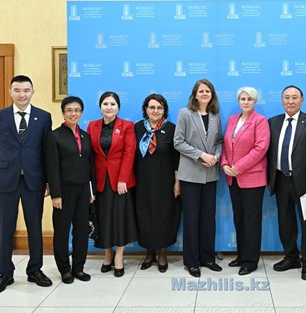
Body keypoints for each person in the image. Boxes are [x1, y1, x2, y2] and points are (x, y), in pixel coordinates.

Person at [0, 75, 53, 295]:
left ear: (33, 92)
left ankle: (35, 270)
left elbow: (46, 151)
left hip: (34, 179)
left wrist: (47, 180)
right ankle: (5, 273)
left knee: (34, 226)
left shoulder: (43, 117)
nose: (22, 94)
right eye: (17, 90)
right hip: (6, 180)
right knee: (5, 227)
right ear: (10, 92)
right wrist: (2, 172)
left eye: (26, 90)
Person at [267, 85, 306, 281]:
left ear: (302, 100)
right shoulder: (273, 122)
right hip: (280, 180)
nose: (290, 101)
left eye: (294, 97)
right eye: (287, 97)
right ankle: (291, 257)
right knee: (285, 222)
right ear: (282, 100)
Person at [174, 79, 223, 278]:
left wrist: (216, 157)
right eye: (201, 91)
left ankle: (208, 258)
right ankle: (192, 261)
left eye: (208, 91)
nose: (204, 94)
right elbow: (178, 142)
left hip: (210, 174)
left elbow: (219, 141)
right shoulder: (185, 113)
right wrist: (201, 155)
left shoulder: (215, 115)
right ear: (195, 94)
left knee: (208, 219)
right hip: (191, 174)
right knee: (191, 219)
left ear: (212, 95)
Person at [87, 91, 138, 278]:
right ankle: (107, 254)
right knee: (103, 218)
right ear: (100, 106)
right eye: (105, 104)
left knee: (119, 218)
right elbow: (88, 154)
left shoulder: (127, 126)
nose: (109, 107)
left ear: (118, 107)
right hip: (99, 179)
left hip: (120, 181)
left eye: (113, 104)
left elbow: (129, 153)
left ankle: (119, 256)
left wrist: (123, 178)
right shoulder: (92, 126)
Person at [221, 87, 270, 276]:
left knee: (251, 221)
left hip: (253, 179)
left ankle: (250, 261)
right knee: (239, 218)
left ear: (255, 102)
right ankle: (242, 255)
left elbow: (260, 148)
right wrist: (225, 164)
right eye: (243, 99)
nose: (246, 102)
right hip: (233, 178)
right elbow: (225, 145)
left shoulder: (260, 121)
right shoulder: (233, 120)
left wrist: (238, 167)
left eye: (250, 99)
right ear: (238, 101)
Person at [46, 96, 95, 284]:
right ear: (63, 113)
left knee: (81, 231)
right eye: (69, 110)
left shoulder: (85, 136)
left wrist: (91, 192)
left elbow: (90, 166)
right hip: (64, 192)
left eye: (77, 110)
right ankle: (64, 270)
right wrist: (56, 194)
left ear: (81, 113)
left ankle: (78, 268)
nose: (73, 114)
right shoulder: (54, 136)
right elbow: (52, 168)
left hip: (83, 191)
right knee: (62, 231)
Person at [134, 93, 181, 273]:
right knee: (144, 215)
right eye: (152, 107)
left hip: (165, 182)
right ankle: (148, 252)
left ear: (164, 110)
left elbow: (177, 159)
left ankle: (162, 252)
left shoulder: (172, 129)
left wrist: (177, 182)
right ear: (146, 109)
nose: (155, 111)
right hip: (142, 182)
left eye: (159, 108)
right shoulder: (137, 128)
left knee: (164, 216)